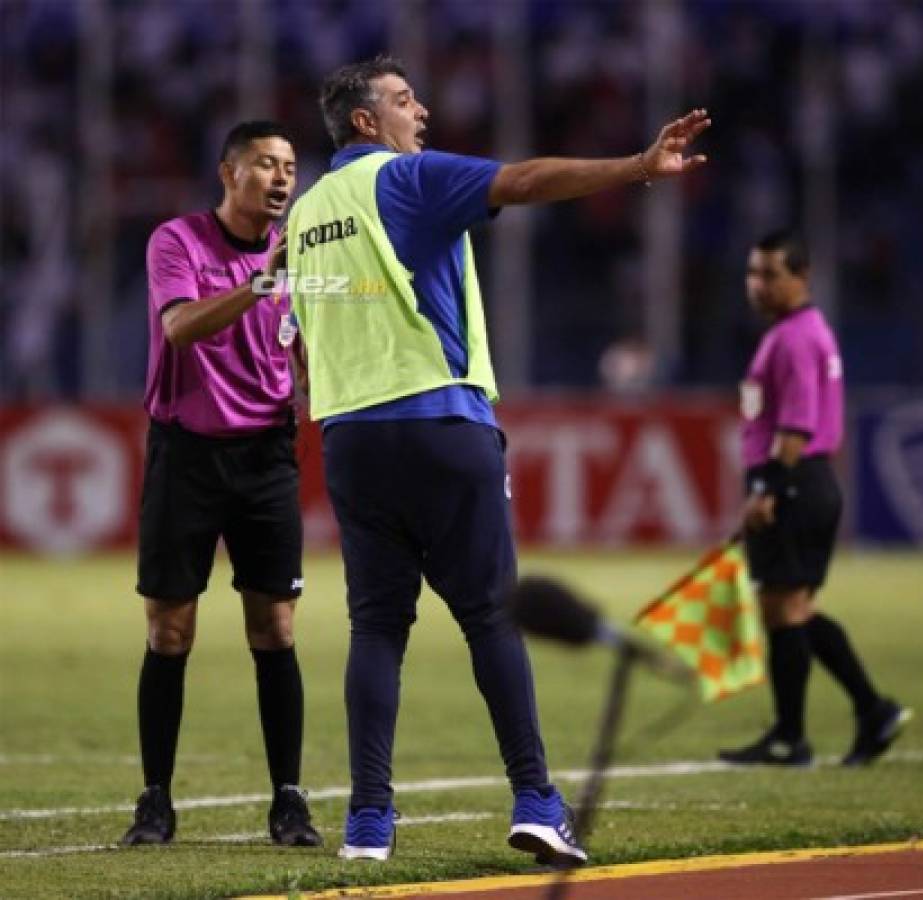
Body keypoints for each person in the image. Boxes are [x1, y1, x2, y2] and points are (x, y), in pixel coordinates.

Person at [283, 54, 708, 864]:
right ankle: (536, 801)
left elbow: (302, 339)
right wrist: (637, 166)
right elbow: (524, 179)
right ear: (366, 122)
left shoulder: (305, 216)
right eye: (406, 101)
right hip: (441, 420)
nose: (425, 113)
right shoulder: (403, 179)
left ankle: (367, 826)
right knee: (490, 615)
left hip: (348, 436)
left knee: (376, 626)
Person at [122, 121, 321, 848]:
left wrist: (310, 373)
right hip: (186, 454)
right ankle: (154, 802)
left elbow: (297, 345)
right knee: (169, 631)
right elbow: (178, 329)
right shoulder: (177, 242)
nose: (281, 178)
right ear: (228, 172)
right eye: (266, 164)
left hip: (266, 455)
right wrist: (260, 281)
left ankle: (289, 802)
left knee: (274, 628)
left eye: (290, 167)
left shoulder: (301, 254)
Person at [718, 231, 912, 768]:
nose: (757, 285)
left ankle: (799, 733)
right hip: (806, 482)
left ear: (801, 277)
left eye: (770, 275)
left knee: (785, 609)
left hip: (796, 481)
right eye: (752, 273)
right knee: (792, 610)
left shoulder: (794, 339)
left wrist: (765, 492)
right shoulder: (801, 331)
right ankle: (861, 715)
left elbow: (796, 428)